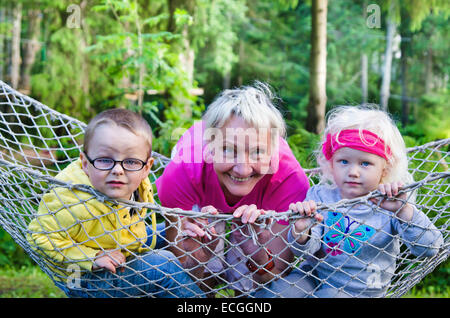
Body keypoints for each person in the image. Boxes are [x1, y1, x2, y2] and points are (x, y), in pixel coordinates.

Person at [155, 82, 312, 297]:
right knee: (206, 262)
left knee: (251, 281)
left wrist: (256, 253)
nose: (242, 169)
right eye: (229, 150)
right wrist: (199, 258)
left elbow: (274, 276)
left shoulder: (289, 179)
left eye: (257, 152)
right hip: (201, 196)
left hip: (261, 206)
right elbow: (179, 269)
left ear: (273, 151)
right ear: (209, 148)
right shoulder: (182, 170)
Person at [27, 108, 203, 298]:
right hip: (82, 278)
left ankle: (199, 284)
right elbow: (38, 237)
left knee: (178, 230)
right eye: (104, 160)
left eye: (131, 161)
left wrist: (179, 225)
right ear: (85, 164)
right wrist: (92, 258)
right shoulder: (72, 198)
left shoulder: (136, 181)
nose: (118, 170)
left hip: (117, 246)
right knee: (163, 265)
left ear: (147, 167)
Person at [287, 105, 444, 297]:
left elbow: (430, 248)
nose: (353, 172)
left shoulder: (391, 202)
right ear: (331, 163)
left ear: (384, 169)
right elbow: (303, 252)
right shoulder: (320, 195)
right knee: (281, 290)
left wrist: (403, 210)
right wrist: (302, 231)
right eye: (344, 161)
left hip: (360, 292)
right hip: (313, 276)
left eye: (365, 163)